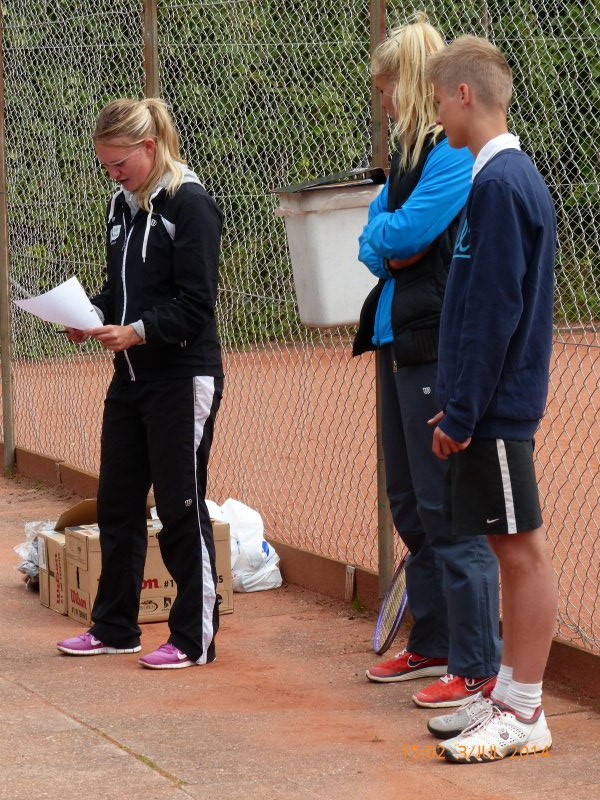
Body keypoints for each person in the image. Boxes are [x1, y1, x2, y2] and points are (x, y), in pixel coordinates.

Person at [354, 14, 501, 708]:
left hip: (433, 345)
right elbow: (374, 241)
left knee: (447, 509)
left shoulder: (449, 157)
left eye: (386, 88)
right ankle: (434, 641)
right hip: (396, 339)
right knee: (410, 504)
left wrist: (388, 237)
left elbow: (405, 234)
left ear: (409, 84)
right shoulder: (409, 159)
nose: (383, 102)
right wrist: (387, 238)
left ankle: (475, 663)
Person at [424, 35, 557, 761]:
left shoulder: (502, 184)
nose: (437, 114)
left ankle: (526, 710)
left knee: (521, 551)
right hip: (487, 402)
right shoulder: (496, 178)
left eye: (439, 100)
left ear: (464, 95)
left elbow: (494, 310)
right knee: (507, 547)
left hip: (497, 406)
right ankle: (507, 692)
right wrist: (460, 400)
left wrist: (465, 410)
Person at [56, 98, 224, 669]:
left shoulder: (190, 204)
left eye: (121, 163)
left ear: (150, 147)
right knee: (118, 504)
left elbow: (197, 304)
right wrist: (89, 315)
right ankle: (114, 627)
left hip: (181, 377)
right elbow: (121, 290)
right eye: (106, 165)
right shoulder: (121, 205)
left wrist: (138, 331)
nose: (114, 174)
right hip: (129, 377)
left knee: (180, 506)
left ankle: (194, 638)